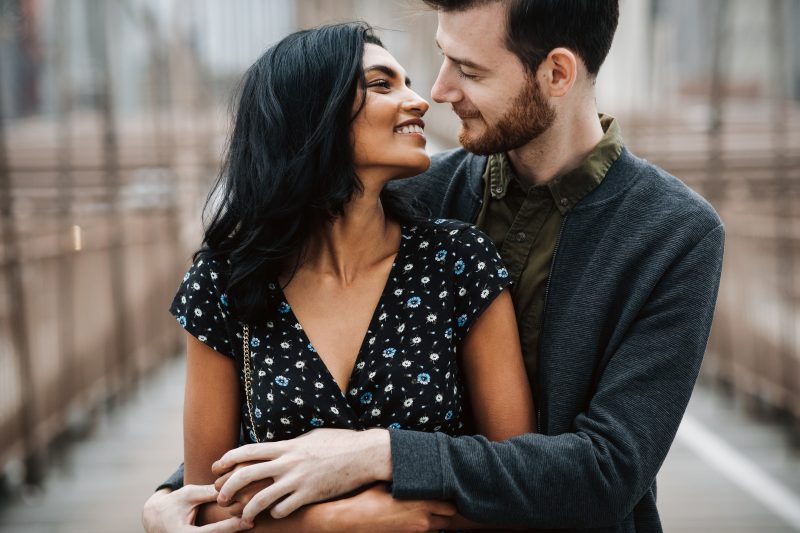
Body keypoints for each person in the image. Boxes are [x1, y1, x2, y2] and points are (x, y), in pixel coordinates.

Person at [144, 0, 725, 532]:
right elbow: (282, 402)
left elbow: (609, 472)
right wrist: (176, 496)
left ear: (556, 74)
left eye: (469, 71)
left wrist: (379, 453)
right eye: (443, 59)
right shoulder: (408, 196)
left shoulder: (675, 233)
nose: (438, 92)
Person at [158, 20, 536, 532]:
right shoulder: (226, 279)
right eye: (382, 84)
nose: (419, 101)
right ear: (313, 113)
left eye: (406, 83)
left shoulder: (458, 261)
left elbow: (514, 481)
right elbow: (202, 503)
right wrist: (341, 520)